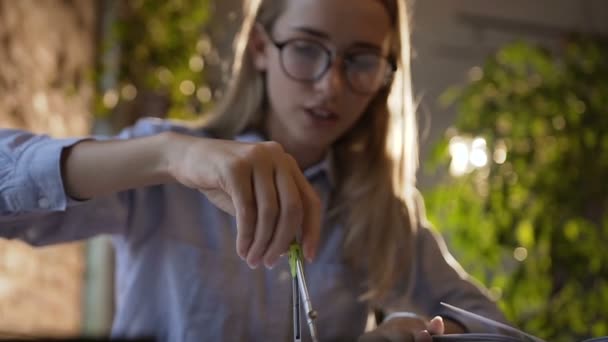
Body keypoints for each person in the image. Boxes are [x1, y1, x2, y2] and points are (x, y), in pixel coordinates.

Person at [0, 0, 507, 341]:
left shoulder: (388, 219)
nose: (330, 86)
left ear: (385, 75)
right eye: (307, 48)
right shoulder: (167, 170)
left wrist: (424, 332)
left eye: (360, 60)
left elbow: (495, 329)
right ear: (262, 49)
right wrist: (167, 156)